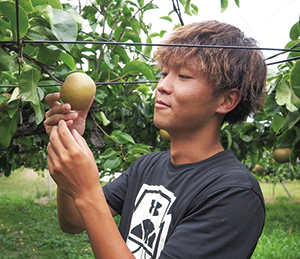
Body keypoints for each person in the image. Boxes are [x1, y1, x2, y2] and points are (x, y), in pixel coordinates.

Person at [44, 20, 267, 259]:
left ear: (226, 101)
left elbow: (87, 201)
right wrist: (71, 137)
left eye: (183, 76)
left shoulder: (234, 193)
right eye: (163, 73)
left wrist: (88, 191)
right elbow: (72, 221)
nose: (162, 86)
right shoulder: (147, 166)